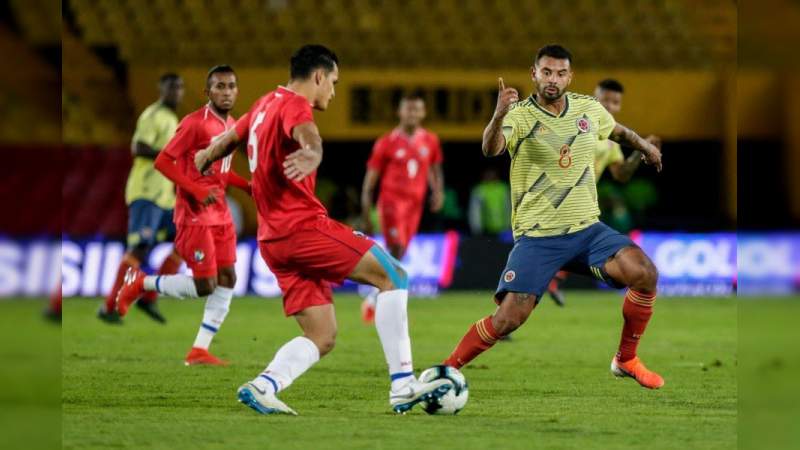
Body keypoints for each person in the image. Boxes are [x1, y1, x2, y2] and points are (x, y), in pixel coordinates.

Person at [194, 45, 451, 415]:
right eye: (332, 82)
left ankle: (264, 385)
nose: (332, 90)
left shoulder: (265, 102)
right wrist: (313, 153)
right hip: (301, 229)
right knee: (394, 275)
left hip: (272, 241)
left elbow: (229, 138)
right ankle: (403, 386)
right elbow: (309, 137)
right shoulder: (296, 105)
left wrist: (203, 158)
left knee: (321, 335)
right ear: (317, 76)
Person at [442, 44, 666, 390]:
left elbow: (617, 131)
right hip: (539, 236)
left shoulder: (588, 109)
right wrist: (499, 113)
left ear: (570, 77)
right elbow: (491, 148)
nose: (553, 80)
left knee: (644, 273)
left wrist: (645, 147)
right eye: (546, 72)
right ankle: (446, 370)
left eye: (560, 73)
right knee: (508, 320)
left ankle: (626, 359)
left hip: (587, 230)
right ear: (534, 74)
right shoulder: (520, 115)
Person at [116, 65, 252, 365]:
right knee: (205, 285)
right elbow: (163, 162)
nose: (226, 92)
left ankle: (199, 349)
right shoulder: (194, 124)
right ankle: (141, 283)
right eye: (219, 86)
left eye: (231, 86)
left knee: (228, 277)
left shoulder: (231, 126)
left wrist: (247, 187)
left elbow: (222, 173)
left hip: (221, 216)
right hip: (194, 216)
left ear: (237, 91)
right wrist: (196, 190)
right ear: (207, 92)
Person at [546, 78, 662, 306]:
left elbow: (621, 175)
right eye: (605, 99)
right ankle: (552, 278)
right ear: (594, 97)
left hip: (580, 208)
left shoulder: (611, 142)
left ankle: (553, 278)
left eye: (615, 102)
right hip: (553, 202)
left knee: (569, 249)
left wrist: (641, 151)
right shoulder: (574, 122)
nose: (609, 105)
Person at [98, 73, 185, 324]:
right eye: (171, 87)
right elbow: (139, 147)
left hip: (165, 198)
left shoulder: (171, 119)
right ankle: (110, 306)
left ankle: (148, 297)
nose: (176, 92)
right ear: (161, 89)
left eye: (180, 88)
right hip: (146, 193)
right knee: (139, 248)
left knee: (185, 239)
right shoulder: (153, 115)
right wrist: (168, 156)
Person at [359, 92, 445, 322]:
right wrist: (366, 209)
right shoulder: (386, 142)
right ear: (400, 112)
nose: (412, 114)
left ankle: (374, 295)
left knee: (401, 252)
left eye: (417, 109)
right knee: (395, 247)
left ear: (423, 112)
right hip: (391, 203)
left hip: (414, 206)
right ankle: (387, 295)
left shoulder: (430, 141)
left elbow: (434, 168)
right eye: (408, 109)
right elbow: (371, 180)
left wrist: (438, 191)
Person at [468, 167, 510, 237]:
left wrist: (510, 225)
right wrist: (476, 228)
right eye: (488, 174)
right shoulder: (479, 189)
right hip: (485, 229)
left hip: (504, 229)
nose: (490, 176)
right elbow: (474, 210)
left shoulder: (503, 188)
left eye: (492, 174)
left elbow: (509, 206)